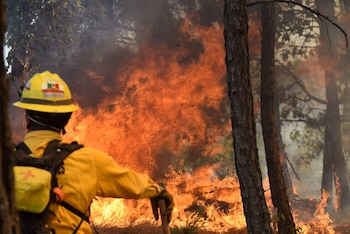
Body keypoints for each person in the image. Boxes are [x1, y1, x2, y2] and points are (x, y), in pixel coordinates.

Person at [13, 70, 174, 233]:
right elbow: (131, 182)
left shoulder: (5, 160)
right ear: (67, 118)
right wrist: (158, 190)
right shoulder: (89, 161)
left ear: (27, 117)